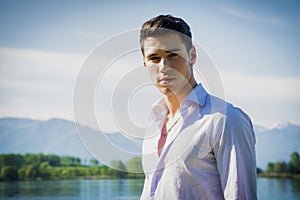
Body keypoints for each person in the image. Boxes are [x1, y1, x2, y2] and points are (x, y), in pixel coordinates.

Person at [139, 14, 257, 199]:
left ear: (192, 55)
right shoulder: (154, 125)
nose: (164, 66)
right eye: (154, 58)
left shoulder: (226, 120)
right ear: (145, 63)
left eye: (173, 55)